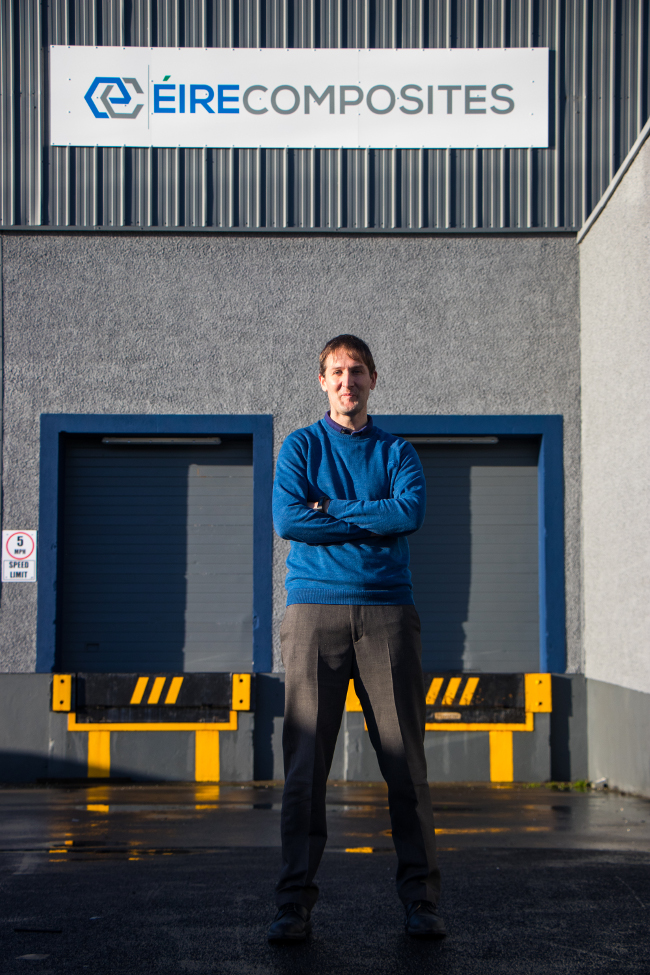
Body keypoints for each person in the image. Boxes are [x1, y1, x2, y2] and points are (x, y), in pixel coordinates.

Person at [268, 334, 444, 942]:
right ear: (322, 382)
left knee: (406, 766)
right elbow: (290, 518)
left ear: (374, 380)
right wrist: (365, 513)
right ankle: (293, 904)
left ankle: (423, 901)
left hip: (388, 615)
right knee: (304, 769)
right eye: (337, 372)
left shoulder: (397, 450)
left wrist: (330, 510)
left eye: (358, 372)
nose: (348, 382)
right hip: (312, 615)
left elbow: (410, 513)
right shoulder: (300, 446)